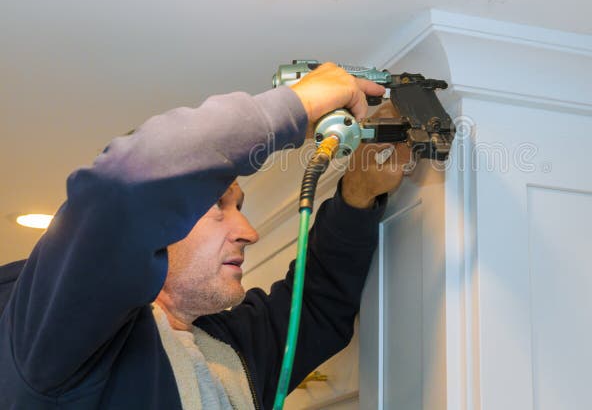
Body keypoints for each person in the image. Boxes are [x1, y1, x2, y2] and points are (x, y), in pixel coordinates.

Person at [0, 62, 412, 409]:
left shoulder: (231, 347)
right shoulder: (61, 339)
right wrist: (297, 106)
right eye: (219, 206)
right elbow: (124, 183)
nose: (248, 233)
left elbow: (318, 302)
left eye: (241, 208)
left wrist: (357, 195)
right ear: (160, 223)